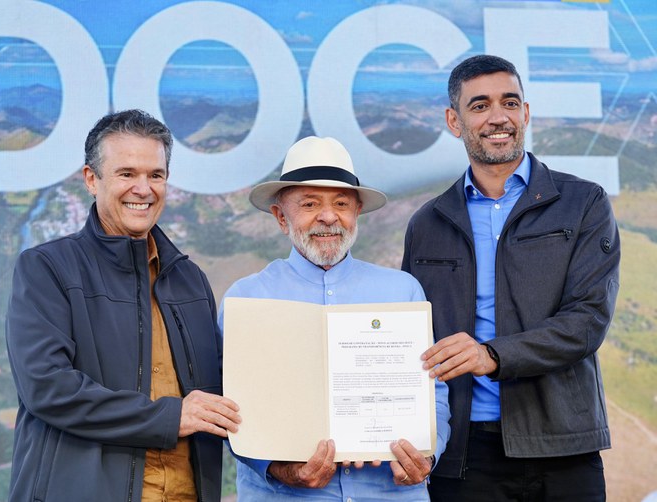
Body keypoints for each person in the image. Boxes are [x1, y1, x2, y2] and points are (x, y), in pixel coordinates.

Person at [401, 55, 620, 501]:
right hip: (463, 453)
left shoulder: (583, 203)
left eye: (510, 102)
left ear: (526, 112)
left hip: (563, 447)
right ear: (454, 121)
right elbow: (409, 335)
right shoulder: (428, 223)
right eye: (479, 105)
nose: (498, 117)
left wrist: (492, 355)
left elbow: (588, 320)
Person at [5, 109, 241, 502]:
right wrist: (170, 417)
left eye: (156, 175)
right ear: (91, 179)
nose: (143, 189)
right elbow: (48, 388)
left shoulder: (190, 279)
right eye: (127, 174)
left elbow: (225, 393)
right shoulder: (47, 268)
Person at [220, 136, 451, 501]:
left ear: (356, 212)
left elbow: (433, 392)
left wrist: (428, 453)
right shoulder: (246, 299)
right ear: (281, 217)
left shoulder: (402, 291)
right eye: (310, 204)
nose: (328, 217)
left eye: (341, 203)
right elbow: (227, 408)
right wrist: (278, 468)